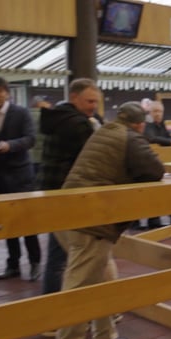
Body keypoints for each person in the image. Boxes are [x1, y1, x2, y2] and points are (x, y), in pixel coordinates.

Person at [54, 101, 164, 339]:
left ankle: (105, 336)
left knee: (103, 275)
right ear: (140, 124)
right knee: (80, 284)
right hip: (92, 220)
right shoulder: (130, 138)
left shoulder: (103, 130)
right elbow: (155, 169)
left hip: (68, 211)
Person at [38, 78, 103, 298]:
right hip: (69, 194)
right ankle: (58, 313)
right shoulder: (78, 124)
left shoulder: (56, 117)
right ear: (74, 97)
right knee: (68, 254)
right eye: (89, 101)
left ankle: (54, 306)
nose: (93, 106)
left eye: (96, 102)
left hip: (51, 190)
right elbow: (95, 159)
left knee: (58, 251)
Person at [0, 76, 41, 282]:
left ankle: (35, 262)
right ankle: (13, 265)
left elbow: (31, 139)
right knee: (8, 224)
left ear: (7, 93)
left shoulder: (21, 113)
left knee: (27, 222)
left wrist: (10, 145)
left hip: (21, 177)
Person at [142, 101, 171, 229]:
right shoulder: (148, 124)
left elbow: (166, 137)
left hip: (159, 163)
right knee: (153, 191)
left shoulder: (161, 124)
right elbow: (151, 138)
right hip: (147, 164)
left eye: (160, 111)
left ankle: (160, 219)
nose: (158, 114)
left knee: (161, 189)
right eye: (155, 111)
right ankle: (153, 220)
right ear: (149, 112)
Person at [29, 95, 53, 175]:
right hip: (42, 157)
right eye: (47, 102)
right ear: (40, 103)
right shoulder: (47, 116)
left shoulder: (26, 115)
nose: (50, 104)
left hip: (29, 157)